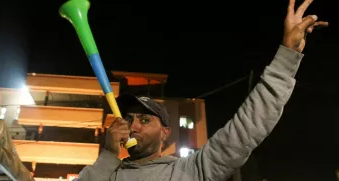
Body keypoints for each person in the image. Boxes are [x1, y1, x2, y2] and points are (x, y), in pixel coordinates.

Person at [75, 0, 328, 180]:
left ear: (165, 133)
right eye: (128, 119)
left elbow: (247, 127)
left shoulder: (192, 171)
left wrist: (287, 55)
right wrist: (108, 156)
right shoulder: (106, 173)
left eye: (144, 119)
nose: (133, 126)